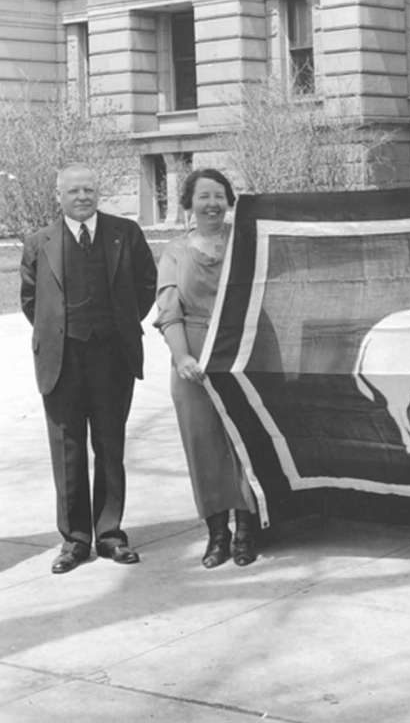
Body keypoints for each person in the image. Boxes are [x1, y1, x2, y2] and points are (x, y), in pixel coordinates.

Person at [20, 164, 157, 573]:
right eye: (74, 190)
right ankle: (75, 539)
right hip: (61, 360)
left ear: (99, 194)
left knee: (110, 447)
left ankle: (111, 535)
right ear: (58, 195)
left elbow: (145, 286)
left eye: (90, 190)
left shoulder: (125, 234)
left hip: (112, 358)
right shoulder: (38, 242)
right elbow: (31, 300)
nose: (83, 196)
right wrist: (57, 333)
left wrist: (119, 326)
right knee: (67, 451)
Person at [155, 168, 259, 568]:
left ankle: (247, 531)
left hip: (243, 353)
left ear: (229, 201)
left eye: (219, 196)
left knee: (245, 443)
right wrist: (182, 357)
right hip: (194, 358)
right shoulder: (175, 252)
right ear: (189, 203)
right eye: (204, 196)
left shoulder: (246, 243)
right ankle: (218, 534)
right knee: (204, 447)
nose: (212, 204)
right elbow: (169, 311)